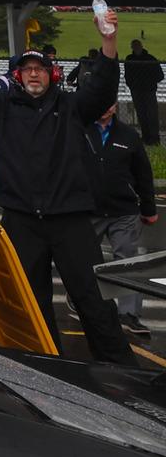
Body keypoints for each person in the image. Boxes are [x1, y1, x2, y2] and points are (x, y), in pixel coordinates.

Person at [0, 13, 136, 365]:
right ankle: (44, 367)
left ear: (52, 75)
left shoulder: (72, 107)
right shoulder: (2, 107)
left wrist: (109, 41)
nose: (34, 73)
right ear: (18, 76)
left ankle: (122, 372)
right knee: (31, 301)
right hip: (21, 221)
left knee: (93, 298)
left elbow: (104, 89)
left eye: (41, 69)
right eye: (28, 69)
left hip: (70, 220)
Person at [85, 103, 158, 338]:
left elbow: (143, 173)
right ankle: (82, 300)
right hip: (88, 209)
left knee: (127, 260)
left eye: (110, 103)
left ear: (115, 106)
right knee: (82, 259)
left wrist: (148, 207)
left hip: (123, 211)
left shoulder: (128, 135)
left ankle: (129, 315)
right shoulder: (79, 130)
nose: (105, 108)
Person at [124, 39, 162, 145]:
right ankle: (148, 138)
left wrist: (147, 83)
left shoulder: (132, 59)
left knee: (150, 115)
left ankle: (153, 138)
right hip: (140, 91)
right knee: (143, 115)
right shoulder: (149, 58)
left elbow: (160, 75)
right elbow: (128, 76)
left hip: (146, 91)